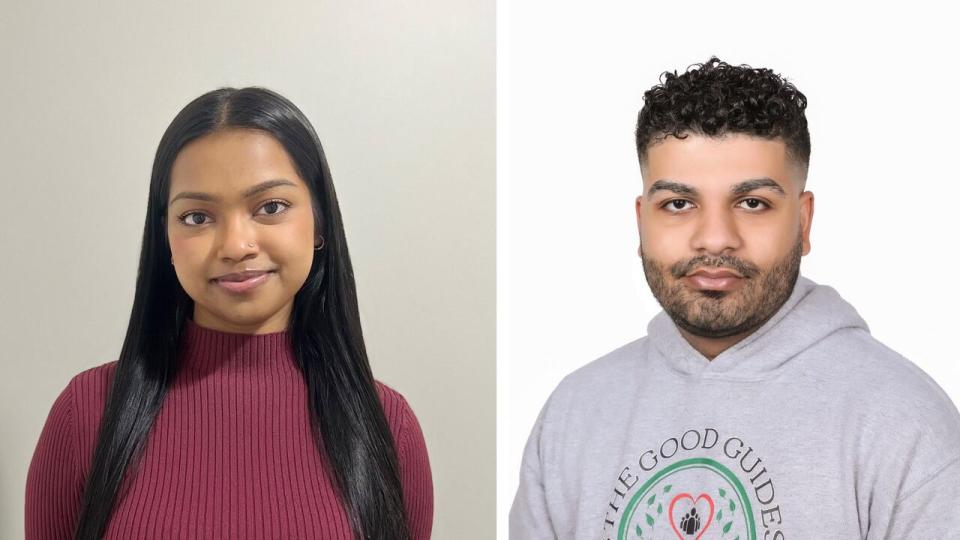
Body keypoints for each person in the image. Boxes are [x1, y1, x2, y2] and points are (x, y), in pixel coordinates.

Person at [510, 57, 960, 539]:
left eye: (752, 203)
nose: (715, 239)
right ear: (641, 221)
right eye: (679, 204)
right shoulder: (574, 412)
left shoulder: (905, 422)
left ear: (803, 222)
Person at [25, 87, 433, 539]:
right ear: (165, 240)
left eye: (270, 207)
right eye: (197, 217)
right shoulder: (87, 414)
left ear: (319, 221)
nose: (236, 246)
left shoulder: (386, 426)